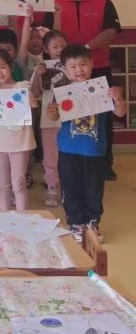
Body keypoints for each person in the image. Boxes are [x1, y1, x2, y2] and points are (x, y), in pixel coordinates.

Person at [46, 44, 126, 243]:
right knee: (70, 187)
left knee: (93, 188)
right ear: (64, 69)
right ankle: (75, 223)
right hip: (68, 149)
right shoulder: (63, 92)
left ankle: (92, 223)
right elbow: (54, 117)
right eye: (72, 66)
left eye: (83, 64)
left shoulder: (103, 89)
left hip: (94, 150)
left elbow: (120, 112)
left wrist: (118, 99)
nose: (79, 70)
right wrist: (51, 111)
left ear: (91, 63)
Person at [55, 0, 121, 181]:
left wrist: (86, 48)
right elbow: (50, 35)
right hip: (67, 71)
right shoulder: (55, 4)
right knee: (68, 115)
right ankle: (69, 160)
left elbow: (112, 31)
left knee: (103, 118)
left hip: (97, 68)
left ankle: (105, 163)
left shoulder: (103, 2)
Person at [0, 49, 38, 212]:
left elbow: (30, 96)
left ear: (11, 67)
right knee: (3, 184)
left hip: (20, 143)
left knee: (19, 183)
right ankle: (5, 217)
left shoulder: (22, 86)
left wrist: (31, 100)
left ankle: (21, 217)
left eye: (2, 67)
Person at [31, 30, 69, 207]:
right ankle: (52, 187)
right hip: (49, 119)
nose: (59, 50)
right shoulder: (42, 67)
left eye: (63, 46)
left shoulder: (73, 65)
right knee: (50, 155)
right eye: (55, 47)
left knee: (68, 155)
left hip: (70, 118)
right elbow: (35, 92)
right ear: (46, 49)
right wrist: (39, 75)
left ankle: (68, 188)